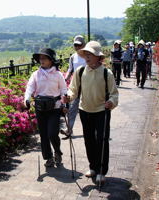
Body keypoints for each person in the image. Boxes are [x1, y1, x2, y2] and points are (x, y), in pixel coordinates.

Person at [64, 41, 119, 184]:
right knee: (89, 140)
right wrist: (68, 96)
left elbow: (114, 94)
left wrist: (111, 102)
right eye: (86, 54)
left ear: (98, 57)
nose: (87, 57)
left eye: (90, 55)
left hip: (102, 111)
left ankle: (101, 171)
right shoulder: (80, 71)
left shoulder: (107, 73)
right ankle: (93, 167)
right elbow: (73, 90)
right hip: (85, 111)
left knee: (102, 140)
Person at [24, 48, 67, 167]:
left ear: (51, 60)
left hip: (55, 107)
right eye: (40, 58)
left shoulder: (58, 75)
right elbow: (30, 88)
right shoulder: (35, 74)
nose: (41, 60)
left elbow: (64, 90)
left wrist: (65, 101)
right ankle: (48, 157)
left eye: (44, 58)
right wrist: (26, 99)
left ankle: (57, 152)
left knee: (52, 134)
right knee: (43, 135)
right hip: (40, 108)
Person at [60, 35, 86, 139]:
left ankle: (91, 130)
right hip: (76, 85)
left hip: (87, 85)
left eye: (79, 45)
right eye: (75, 45)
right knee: (72, 108)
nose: (77, 47)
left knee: (86, 109)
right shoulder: (73, 57)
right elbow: (70, 70)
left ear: (83, 45)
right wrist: (65, 79)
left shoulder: (87, 55)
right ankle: (69, 130)